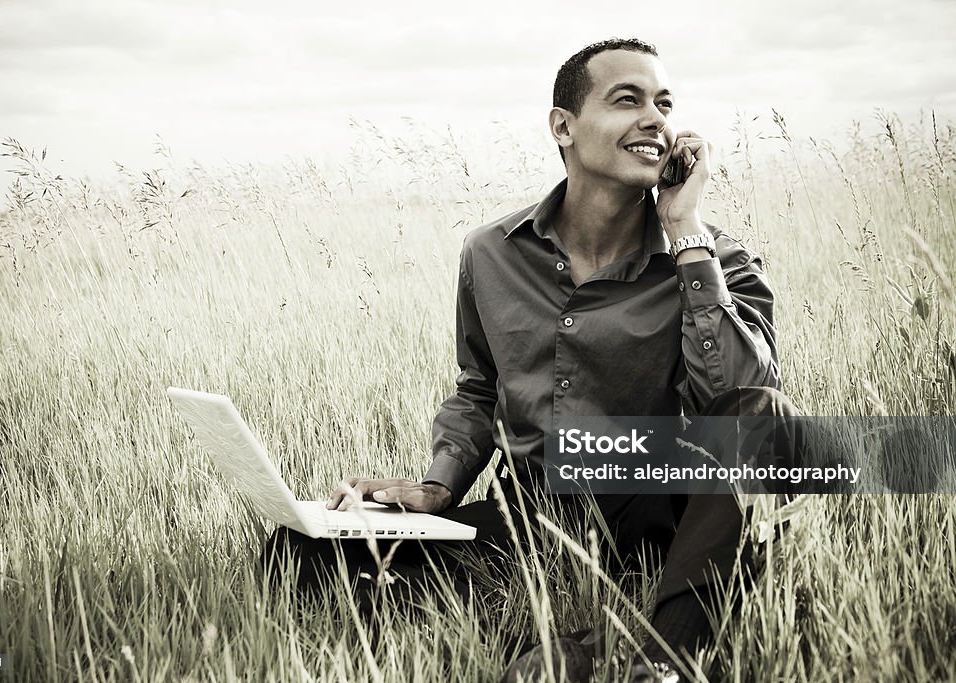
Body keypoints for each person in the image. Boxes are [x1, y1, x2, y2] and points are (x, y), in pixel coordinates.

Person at [261, 38, 800, 682]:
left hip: (667, 503)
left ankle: (667, 656)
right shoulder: (491, 253)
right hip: (537, 514)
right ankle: (577, 640)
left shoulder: (711, 259)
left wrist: (685, 232)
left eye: (664, 103)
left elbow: (748, 404)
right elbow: (480, 389)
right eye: (626, 100)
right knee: (300, 550)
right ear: (563, 126)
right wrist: (440, 484)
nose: (655, 118)